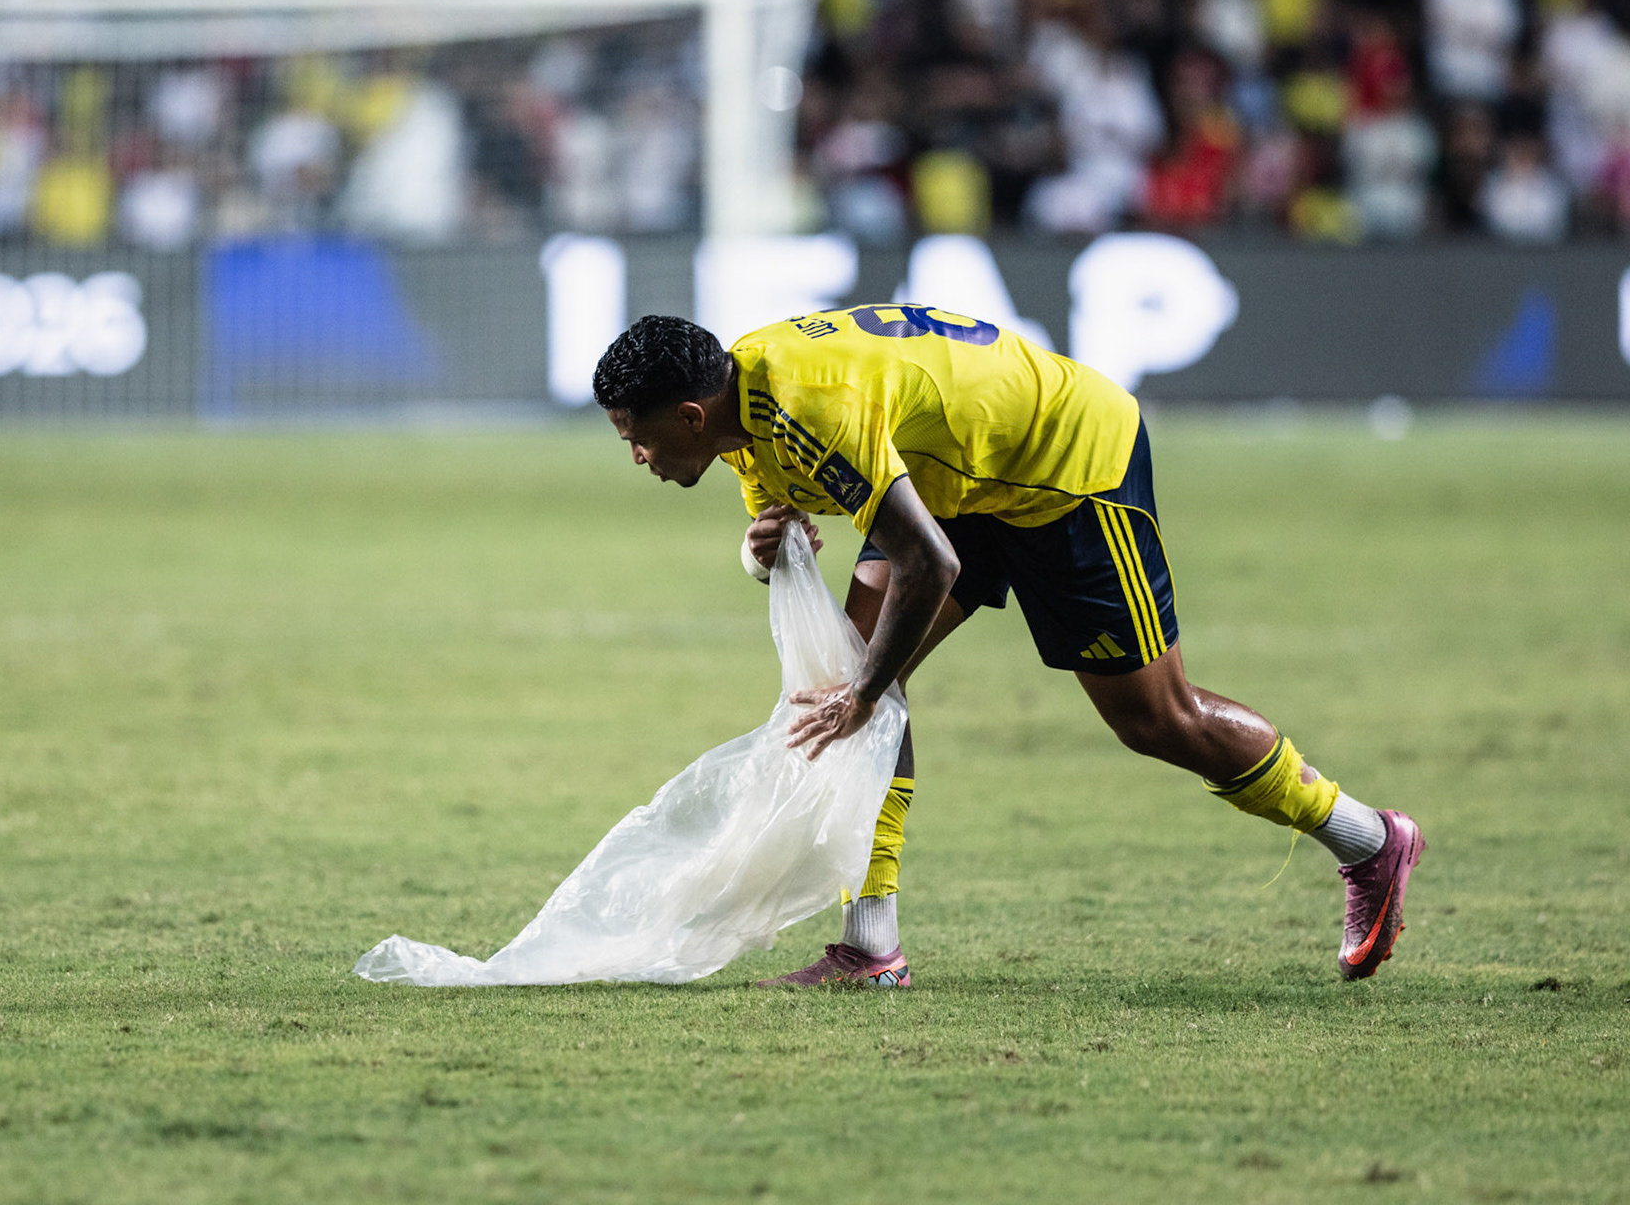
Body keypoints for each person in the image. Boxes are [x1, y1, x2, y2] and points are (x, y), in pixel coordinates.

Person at [591, 307, 1424, 988]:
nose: (635, 455)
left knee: (1154, 719)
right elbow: (776, 538)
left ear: (690, 415)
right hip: (960, 473)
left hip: (1065, 462)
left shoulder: (811, 408)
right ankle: (870, 946)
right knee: (849, 670)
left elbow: (929, 560)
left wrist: (867, 694)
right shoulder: (747, 399)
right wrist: (761, 555)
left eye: (637, 436)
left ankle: (1369, 840)